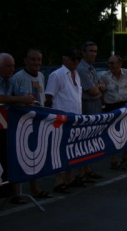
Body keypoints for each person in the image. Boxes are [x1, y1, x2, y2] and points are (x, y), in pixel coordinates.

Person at [12, 48, 53, 199]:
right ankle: (16, 193)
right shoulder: (18, 77)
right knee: (19, 156)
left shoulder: (41, 76)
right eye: (33, 59)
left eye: (39, 60)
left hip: (38, 120)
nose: (36, 63)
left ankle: (35, 188)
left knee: (34, 156)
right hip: (21, 122)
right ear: (26, 60)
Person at [44, 48, 85, 193]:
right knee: (58, 150)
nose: (76, 61)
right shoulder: (57, 75)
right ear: (64, 59)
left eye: (78, 59)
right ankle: (58, 180)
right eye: (73, 58)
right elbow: (48, 98)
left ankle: (70, 177)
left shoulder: (76, 74)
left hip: (74, 119)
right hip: (60, 120)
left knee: (70, 149)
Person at [0, 53, 36, 203]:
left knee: (9, 157)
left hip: (7, 127)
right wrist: (21, 99)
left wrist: (26, 98)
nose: (12, 69)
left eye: (13, 66)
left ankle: (12, 193)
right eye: (8, 66)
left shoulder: (12, 81)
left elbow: (25, 95)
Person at [100, 54, 127, 169]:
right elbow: (102, 90)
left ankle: (126, 158)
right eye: (109, 63)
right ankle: (113, 160)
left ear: (120, 64)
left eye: (112, 63)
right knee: (112, 134)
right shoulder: (104, 76)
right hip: (111, 106)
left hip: (125, 105)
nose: (110, 65)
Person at [76, 41, 105, 181]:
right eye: (90, 51)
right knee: (85, 138)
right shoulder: (81, 69)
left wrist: (98, 88)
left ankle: (87, 169)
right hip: (87, 105)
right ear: (83, 53)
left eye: (95, 51)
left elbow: (101, 86)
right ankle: (81, 171)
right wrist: (99, 89)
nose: (93, 54)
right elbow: (94, 90)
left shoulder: (91, 68)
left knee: (90, 138)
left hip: (94, 104)